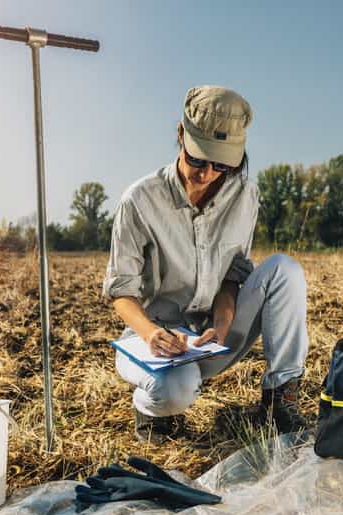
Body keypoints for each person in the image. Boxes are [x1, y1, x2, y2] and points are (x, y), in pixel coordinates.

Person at [103, 85, 310, 444]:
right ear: (181, 135)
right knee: (175, 393)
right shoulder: (138, 200)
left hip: (212, 336)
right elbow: (121, 292)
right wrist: (153, 334)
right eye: (197, 159)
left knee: (284, 270)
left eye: (221, 164)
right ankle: (152, 409)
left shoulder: (245, 196)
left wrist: (222, 325)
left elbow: (232, 278)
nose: (206, 173)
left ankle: (280, 399)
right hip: (155, 341)